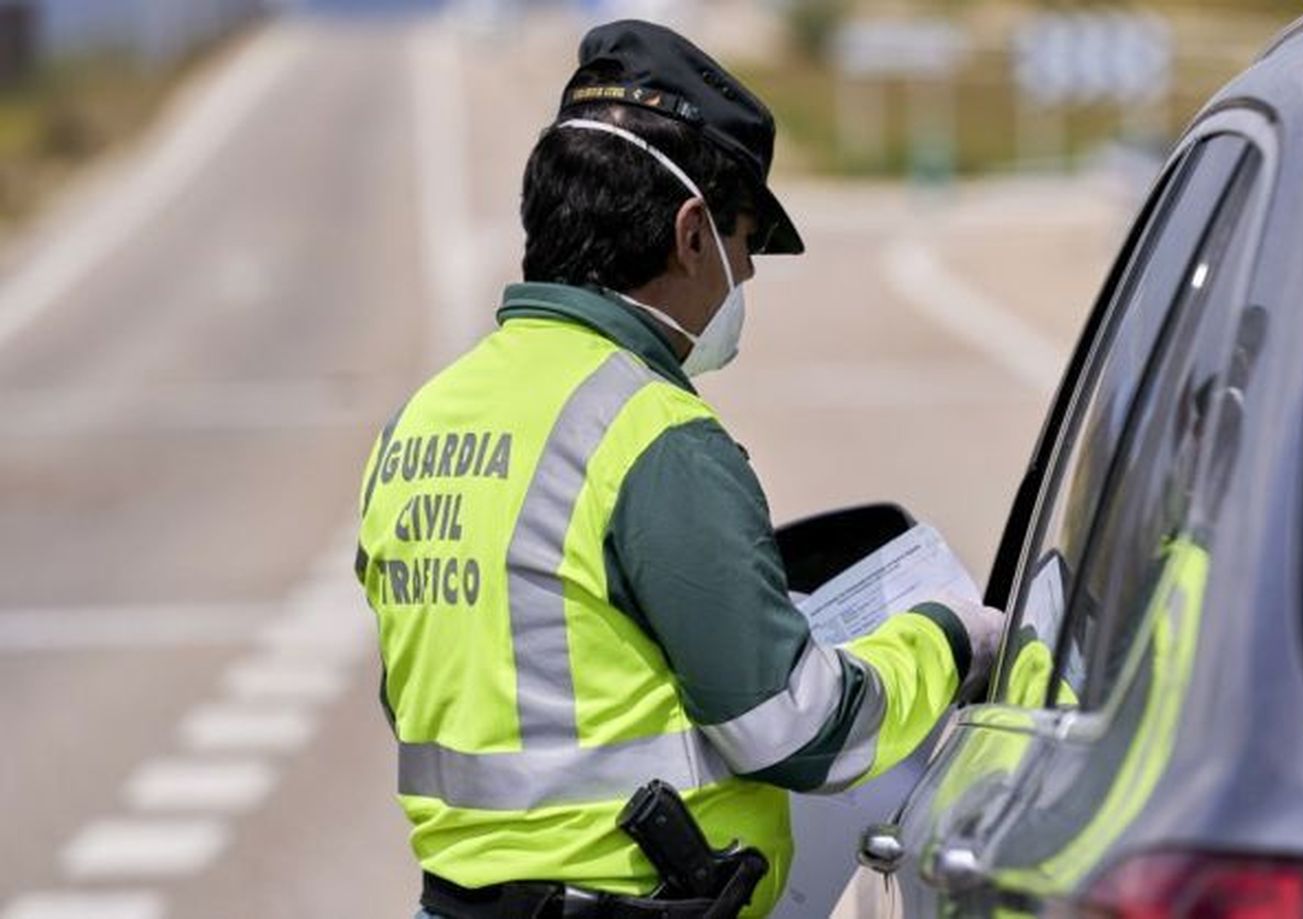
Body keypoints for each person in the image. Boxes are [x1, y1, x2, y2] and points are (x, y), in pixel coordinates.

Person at [355, 19, 1006, 919]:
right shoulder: (651, 433)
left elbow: (440, 693)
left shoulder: (418, 425)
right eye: (744, 241)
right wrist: (948, 639)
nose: (745, 273)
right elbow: (795, 726)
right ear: (692, 233)